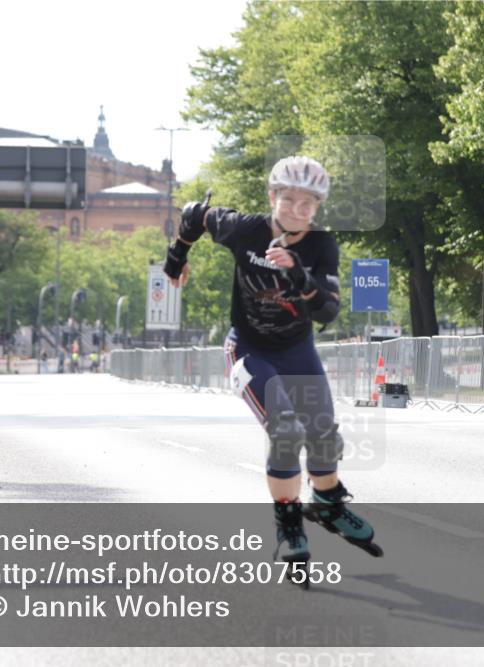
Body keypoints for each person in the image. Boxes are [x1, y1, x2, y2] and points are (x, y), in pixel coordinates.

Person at [163, 156, 381, 580]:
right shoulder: (245, 229)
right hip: (248, 348)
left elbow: (328, 312)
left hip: (297, 349)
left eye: (308, 203)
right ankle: (289, 522)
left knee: (322, 432)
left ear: (318, 207)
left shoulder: (321, 246)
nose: (297, 209)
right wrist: (177, 255)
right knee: (284, 429)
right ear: (272, 196)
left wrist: (299, 275)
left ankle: (328, 502)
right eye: (289, 199)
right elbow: (195, 215)